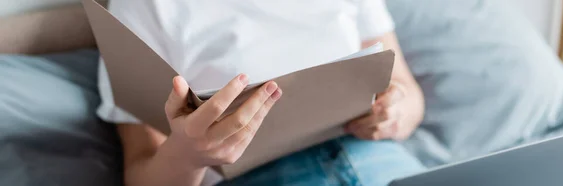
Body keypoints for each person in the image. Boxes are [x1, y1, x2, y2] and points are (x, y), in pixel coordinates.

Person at [97, 0, 426, 185]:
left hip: (383, 162)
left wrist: (395, 114)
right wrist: (189, 154)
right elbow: (140, 172)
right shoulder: (141, 7)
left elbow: (408, 95)